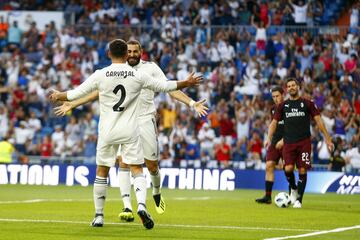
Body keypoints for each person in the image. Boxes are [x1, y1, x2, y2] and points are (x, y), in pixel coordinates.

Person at [48, 39, 203, 229]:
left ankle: (100, 214)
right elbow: (166, 87)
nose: (132, 54)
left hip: (117, 127)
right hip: (129, 127)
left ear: (110, 54)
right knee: (135, 167)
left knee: (112, 169)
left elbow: (77, 92)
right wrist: (186, 82)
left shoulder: (103, 74)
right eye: (129, 51)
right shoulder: (136, 75)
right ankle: (135, 206)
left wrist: (60, 96)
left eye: (135, 51)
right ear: (125, 53)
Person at [264, 78, 333, 208]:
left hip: (304, 142)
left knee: (302, 169)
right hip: (289, 142)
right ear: (287, 89)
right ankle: (294, 188)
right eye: (289, 86)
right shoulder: (282, 106)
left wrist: (327, 138)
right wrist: (269, 138)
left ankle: (299, 200)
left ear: (298, 86)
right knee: (288, 169)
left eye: (293, 85)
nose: (291, 87)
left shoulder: (308, 103)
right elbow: (273, 123)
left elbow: (319, 121)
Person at [256, 86, 284, 204]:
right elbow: (273, 124)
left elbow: (293, 127)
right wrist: (268, 138)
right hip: (275, 140)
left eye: (277, 96)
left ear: (283, 94)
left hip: (288, 140)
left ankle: (294, 194)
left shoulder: (290, 107)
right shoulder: (273, 109)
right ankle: (267, 196)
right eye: (273, 97)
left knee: (288, 169)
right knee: (269, 165)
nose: (275, 99)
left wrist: (284, 140)